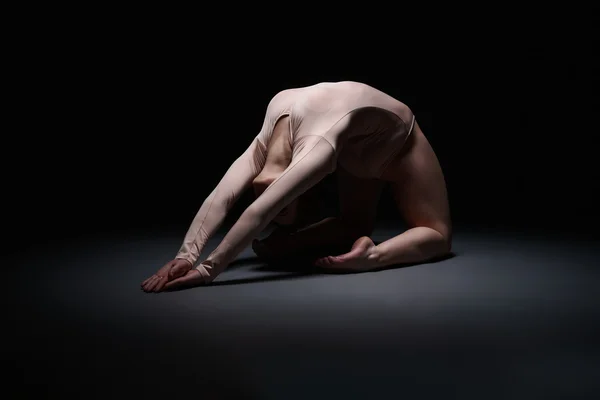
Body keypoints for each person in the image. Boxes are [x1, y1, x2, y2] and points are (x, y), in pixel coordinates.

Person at [141, 81, 451, 293]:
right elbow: (222, 197)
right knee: (383, 228)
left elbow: (258, 210)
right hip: (362, 141)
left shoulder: (315, 147)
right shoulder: (280, 110)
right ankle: (366, 254)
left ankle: (369, 256)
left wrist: (207, 269)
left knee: (436, 234)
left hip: (396, 145)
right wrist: (185, 255)